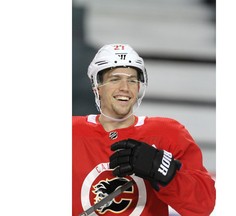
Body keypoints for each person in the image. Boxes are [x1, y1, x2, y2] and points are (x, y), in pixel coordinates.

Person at [72, 43, 216, 216]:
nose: (125, 87)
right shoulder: (71, 132)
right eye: (115, 79)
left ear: (139, 87)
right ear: (97, 86)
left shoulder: (168, 133)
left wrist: (164, 173)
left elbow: (203, 205)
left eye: (132, 80)